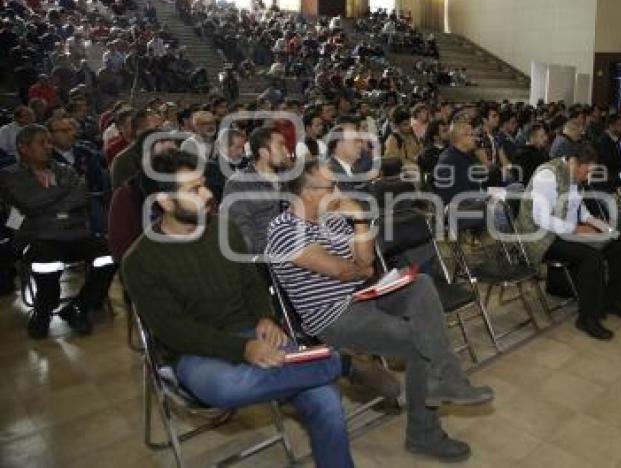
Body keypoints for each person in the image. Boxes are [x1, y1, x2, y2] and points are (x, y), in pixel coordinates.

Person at [121, 151, 355, 468]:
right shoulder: (140, 261)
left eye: (204, 184)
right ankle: (340, 363)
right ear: (164, 201)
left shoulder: (225, 229)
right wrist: (242, 348)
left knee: (326, 400)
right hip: (194, 352)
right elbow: (174, 330)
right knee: (228, 385)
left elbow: (251, 283)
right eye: (194, 190)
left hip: (252, 330)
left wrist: (265, 316)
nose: (208, 195)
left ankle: (326, 368)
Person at [265, 160, 494, 462]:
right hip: (333, 316)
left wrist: (359, 219)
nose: (338, 192)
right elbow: (342, 271)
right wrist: (356, 268)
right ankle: (424, 432)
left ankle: (446, 379)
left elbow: (367, 264)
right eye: (330, 187)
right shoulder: (282, 230)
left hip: (362, 296)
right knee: (417, 342)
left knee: (422, 284)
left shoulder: (332, 217)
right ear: (306, 192)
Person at [0, 125, 116, 339]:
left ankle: (79, 307)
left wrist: (50, 203)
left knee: (109, 254)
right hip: (39, 237)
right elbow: (29, 202)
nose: (48, 147)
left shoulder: (64, 169)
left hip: (75, 233)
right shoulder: (10, 174)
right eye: (41, 143)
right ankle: (43, 312)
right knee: (46, 262)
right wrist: (64, 193)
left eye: (49, 142)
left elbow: (82, 196)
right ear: (23, 148)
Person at [514, 143, 621, 341]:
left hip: (565, 231)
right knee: (591, 257)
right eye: (586, 171)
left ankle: (616, 301)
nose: (588, 177)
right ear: (574, 163)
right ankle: (587, 318)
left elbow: (581, 211)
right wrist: (576, 229)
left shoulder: (575, 176)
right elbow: (540, 218)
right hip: (541, 238)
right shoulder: (547, 175)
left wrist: (604, 227)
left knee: (617, 246)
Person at [223, 127, 292, 255]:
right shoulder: (239, 184)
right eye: (281, 146)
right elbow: (243, 233)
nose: (286, 151)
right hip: (266, 257)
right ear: (264, 153)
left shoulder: (290, 179)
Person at [204, 128, 248, 206]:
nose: (242, 151)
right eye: (238, 147)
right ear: (225, 147)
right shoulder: (211, 168)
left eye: (243, 147)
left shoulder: (245, 161)